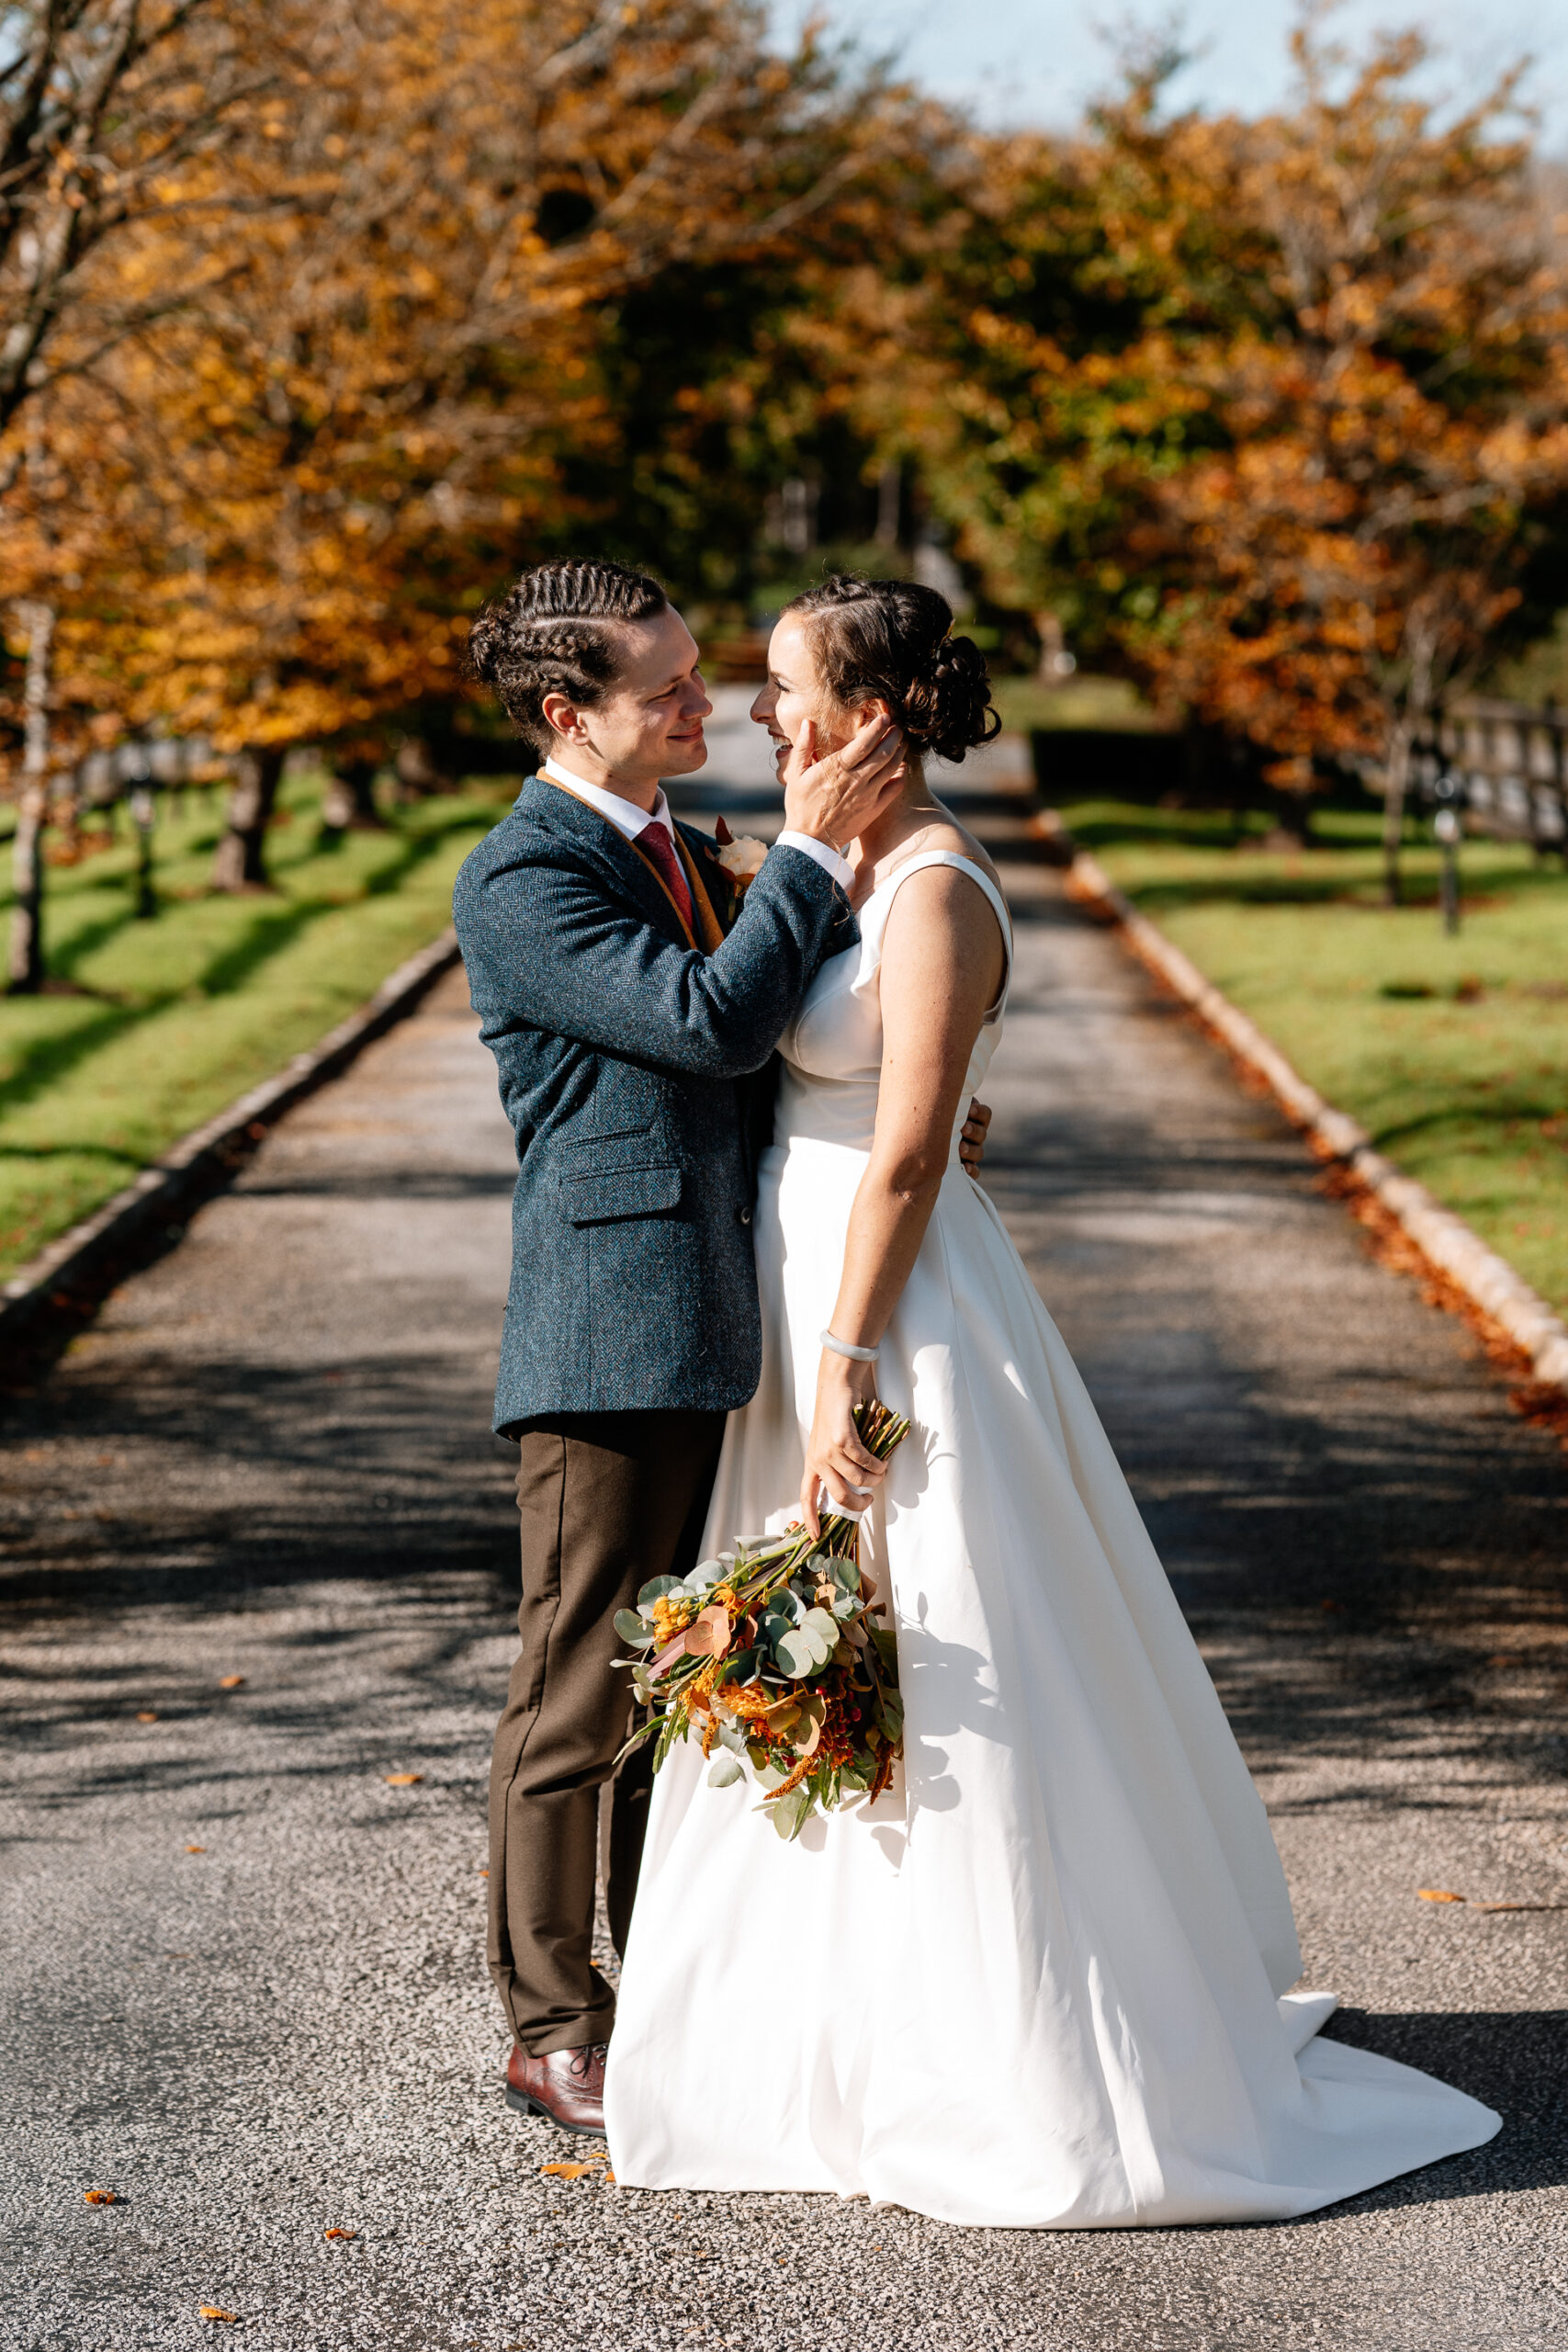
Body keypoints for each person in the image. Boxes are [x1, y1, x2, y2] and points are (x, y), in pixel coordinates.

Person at [603, 573, 1501, 2226]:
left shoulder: (936, 888)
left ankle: (1006, 2053)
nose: (758, 713)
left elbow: (906, 1159)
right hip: (806, 1293)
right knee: (830, 1648)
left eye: (785, 685)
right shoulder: (838, 874)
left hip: (894, 1323)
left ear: (868, 716)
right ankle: (822, 2034)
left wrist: (843, 1380)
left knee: (944, 1651)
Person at [452, 560, 993, 2137]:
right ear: (571, 717)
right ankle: (555, 2027)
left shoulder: (682, 847)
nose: (713, 708)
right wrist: (818, 849)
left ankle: (665, 1980)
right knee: (578, 1692)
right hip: (610, 1333)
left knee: (676, 1679)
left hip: (729, 1315)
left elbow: (798, 1035)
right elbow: (708, 1024)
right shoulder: (525, 876)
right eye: (671, 690)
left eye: (708, 675)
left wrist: (923, 1093)